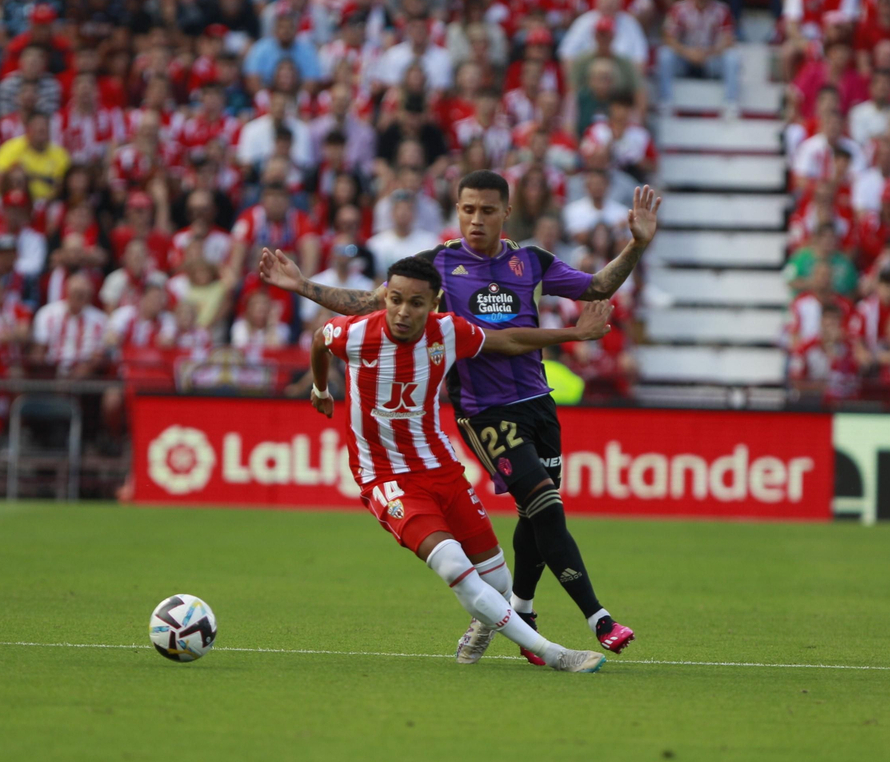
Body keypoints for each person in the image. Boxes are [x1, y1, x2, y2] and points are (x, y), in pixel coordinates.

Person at [263, 170, 661, 657]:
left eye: (487, 210)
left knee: (534, 514)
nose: (476, 219)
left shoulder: (530, 261)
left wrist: (636, 246)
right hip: (482, 412)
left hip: (537, 402)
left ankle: (519, 611)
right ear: (457, 210)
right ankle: (595, 619)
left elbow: (596, 287)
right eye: (467, 209)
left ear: (505, 213)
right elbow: (367, 304)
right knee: (543, 503)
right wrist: (302, 285)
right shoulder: (437, 267)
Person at [309, 254, 613, 672]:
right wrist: (320, 387)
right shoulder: (356, 332)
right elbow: (319, 341)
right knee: (453, 564)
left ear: (434, 304)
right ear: (385, 297)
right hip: (386, 477)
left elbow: (508, 341)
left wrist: (574, 334)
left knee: (499, 582)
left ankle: (485, 622)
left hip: (441, 468)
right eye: (394, 299)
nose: (402, 311)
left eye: (415, 303)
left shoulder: (449, 332)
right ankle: (552, 653)